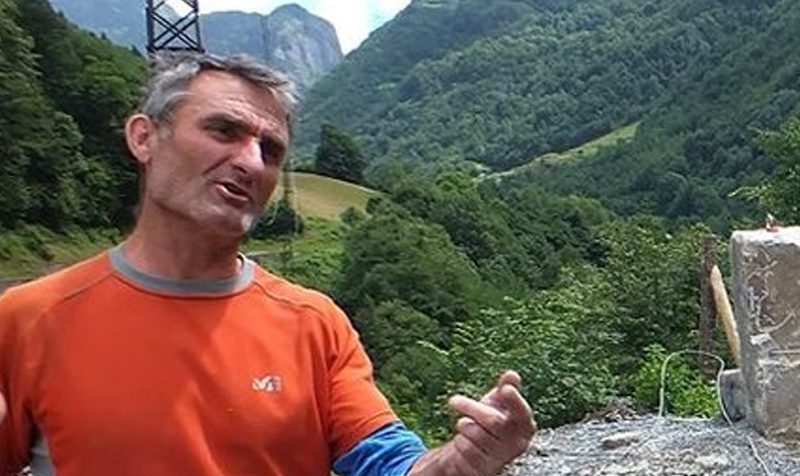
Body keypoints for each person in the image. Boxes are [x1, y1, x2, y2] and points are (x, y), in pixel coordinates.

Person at [0, 52, 535, 476]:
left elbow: (387, 463)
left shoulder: (313, 324)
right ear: (144, 137)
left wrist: (464, 461)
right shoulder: (27, 319)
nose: (251, 162)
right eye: (224, 131)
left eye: (271, 150)